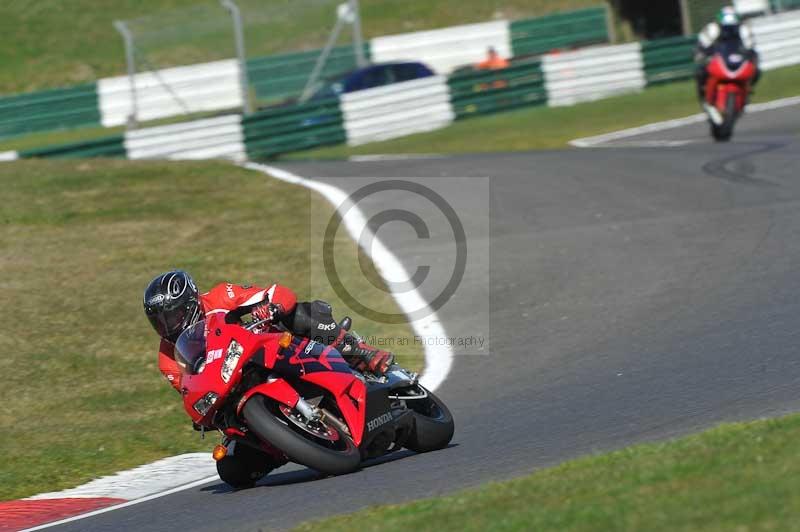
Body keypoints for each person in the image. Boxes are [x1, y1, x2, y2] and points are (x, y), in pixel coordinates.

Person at [143, 270, 394, 394]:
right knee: (232, 469)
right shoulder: (167, 358)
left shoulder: (221, 295)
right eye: (160, 321)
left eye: (173, 316)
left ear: (191, 303)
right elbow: (192, 392)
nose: (168, 326)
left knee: (301, 313)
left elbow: (278, 293)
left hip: (268, 349)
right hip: (234, 387)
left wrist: (271, 307)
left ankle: (360, 353)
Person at [695, 6, 760, 101]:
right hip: (717, 57)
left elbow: (750, 45)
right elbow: (703, 43)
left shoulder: (743, 29)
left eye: (732, 26)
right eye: (727, 27)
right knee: (700, 72)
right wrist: (701, 53)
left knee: (756, 70)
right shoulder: (713, 28)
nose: (730, 29)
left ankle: (748, 89)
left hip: (737, 57)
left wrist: (750, 54)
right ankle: (703, 93)